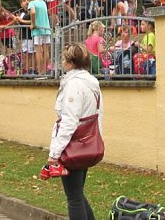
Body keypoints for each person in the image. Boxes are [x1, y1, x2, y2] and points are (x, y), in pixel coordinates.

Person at [47, 42, 103, 220]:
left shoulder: (73, 85)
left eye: (64, 59)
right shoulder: (92, 82)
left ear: (70, 62)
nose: (62, 62)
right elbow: (98, 114)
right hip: (87, 142)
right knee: (77, 193)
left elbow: (69, 121)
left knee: (73, 197)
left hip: (73, 145)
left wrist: (54, 154)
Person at [26, 0, 52, 75]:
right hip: (46, 29)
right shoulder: (43, 2)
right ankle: (45, 70)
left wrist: (33, 24)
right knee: (46, 50)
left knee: (38, 50)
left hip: (37, 29)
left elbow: (33, 12)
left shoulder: (32, 3)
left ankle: (40, 71)